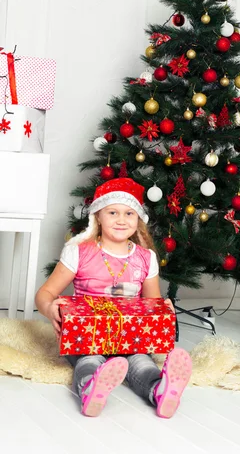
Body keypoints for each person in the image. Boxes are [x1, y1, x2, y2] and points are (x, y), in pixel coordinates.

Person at [35, 177, 192, 418]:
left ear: (138, 220)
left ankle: (159, 391)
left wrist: (163, 308)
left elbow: (152, 303)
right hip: (86, 334)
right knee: (89, 359)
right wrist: (50, 309)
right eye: (113, 212)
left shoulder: (146, 257)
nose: (121, 220)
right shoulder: (79, 252)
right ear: (98, 216)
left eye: (129, 214)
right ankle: (91, 389)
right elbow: (45, 293)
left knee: (141, 361)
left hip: (130, 335)